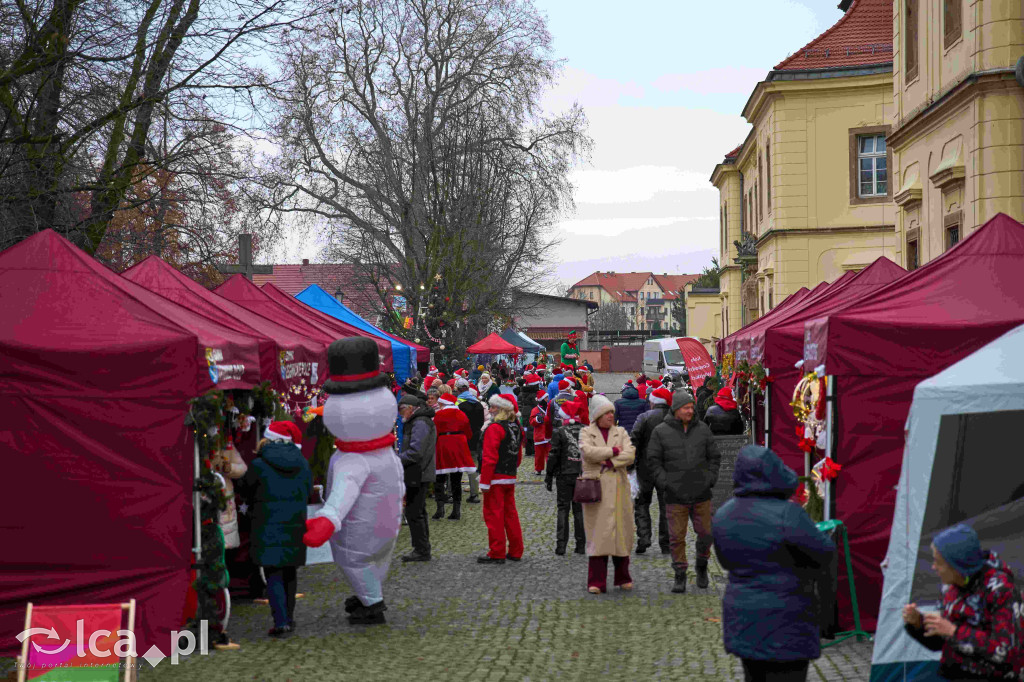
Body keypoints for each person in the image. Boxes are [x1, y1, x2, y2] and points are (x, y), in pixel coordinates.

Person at [301, 338, 405, 625]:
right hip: (389, 524)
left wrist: (326, 520)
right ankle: (368, 596)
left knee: (356, 561)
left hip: (358, 532)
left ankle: (372, 604)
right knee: (376, 560)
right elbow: (398, 478)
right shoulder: (385, 452)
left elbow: (342, 497)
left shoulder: (352, 461)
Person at [713, 445, 836, 682]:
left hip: (743, 614)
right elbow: (825, 552)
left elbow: (725, 560)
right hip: (786, 617)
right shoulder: (788, 514)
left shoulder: (723, 515)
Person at [902, 523, 1022, 680]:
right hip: (954, 674)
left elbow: (1007, 653)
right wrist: (918, 623)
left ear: (957, 566)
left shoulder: (1001, 589)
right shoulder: (951, 587)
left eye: (938, 562)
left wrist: (954, 632)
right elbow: (939, 643)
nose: (933, 567)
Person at [647, 390, 722, 593]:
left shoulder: (703, 430)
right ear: (676, 409)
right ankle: (679, 573)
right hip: (675, 495)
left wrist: (711, 478)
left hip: (701, 493)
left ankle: (702, 565)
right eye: (686, 408)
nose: (690, 410)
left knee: (706, 534)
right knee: (676, 537)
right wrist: (665, 482)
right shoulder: (661, 431)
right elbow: (653, 461)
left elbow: (715, 456)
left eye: (691, 407)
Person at [241, 421, 312, 636]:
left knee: (273, 573)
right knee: (290, 572)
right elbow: (307, 491)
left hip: (267, 525)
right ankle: (289, 618)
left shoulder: (259, 464)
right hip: (295, 523)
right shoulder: (302, 463)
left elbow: (246, 489)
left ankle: (280, 621)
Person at [579, 394, 636, 593]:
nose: (611, 415)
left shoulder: (621, 431)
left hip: (619, 487)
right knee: (598, 535)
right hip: (597, 488)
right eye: (607, 412)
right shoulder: (586, 432)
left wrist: (610, 461)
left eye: (612, 411)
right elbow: (587, 452)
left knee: (622, 533)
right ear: (597, 415)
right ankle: (596, 581)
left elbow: (630, 454)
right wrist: (613, 450)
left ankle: (623, 577)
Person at [478, 393, 524, 564]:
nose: (490, 410)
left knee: (494, 516)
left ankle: (497, 551)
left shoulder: (495, 428)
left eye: (493, 407)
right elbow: (519, 454)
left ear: (502, 409)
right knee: (510, 515)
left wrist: (484, 481)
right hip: (509, 476)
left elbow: (489, 458)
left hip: (495, 478)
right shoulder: (516, 426)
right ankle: (516, 550)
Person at [630, 386, 673, 555]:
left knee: (642, 504)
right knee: (667, 506)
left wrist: (630, 464)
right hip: (667, 468)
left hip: (645, 468)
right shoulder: (675, 418)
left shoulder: (644, 417)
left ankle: (644, 537)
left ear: (653, 402)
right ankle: (666, 543)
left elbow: (633, 440)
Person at [398, 394, 436, 562]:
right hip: (418, 471)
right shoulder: (418, 421)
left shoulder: (420, 422)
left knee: (414, 511)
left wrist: (396, 458)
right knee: (418, 510)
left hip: (418, 471)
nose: (400, 414)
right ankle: (422, 547)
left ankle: (421, 549)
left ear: (410, 408)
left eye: (401, 410)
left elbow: (416, 451)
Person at [545, 399, 586, 555]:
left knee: (563, 509)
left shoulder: (560, 431)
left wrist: (549, 476)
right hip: (581, 474)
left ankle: (561, 545)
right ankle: (581, 545)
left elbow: (553, 455)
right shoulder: (585, 430)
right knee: (579, 510)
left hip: (564, 474)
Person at [432, 393, 476, 521]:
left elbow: (435, 431)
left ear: (442, 403)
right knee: (456, 479)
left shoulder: (438, 415)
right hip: (459, 444)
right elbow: (468, 432)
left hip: (443, 444)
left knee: (439, 478)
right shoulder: (461, 414)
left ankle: (440, 509)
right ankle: (456, 511)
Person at [456, 377, 485, 504]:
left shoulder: (459, 405)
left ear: (458, 390)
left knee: (457, 465)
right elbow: (481, 422)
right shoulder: (478, 404)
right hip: (476, 437)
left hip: (462, 437)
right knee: (473, 464)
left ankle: (454, 492)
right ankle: (474, 493)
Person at [531, 391, 552, 477]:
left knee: (550, 454)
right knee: (539, 455)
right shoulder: (535, 410)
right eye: (546, 398)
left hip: (548, 435)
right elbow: (531, 422)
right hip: (539, 435)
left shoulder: (550, 408)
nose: (547, 399)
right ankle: (538, 469)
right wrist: (537, 419)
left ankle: (551, 469)